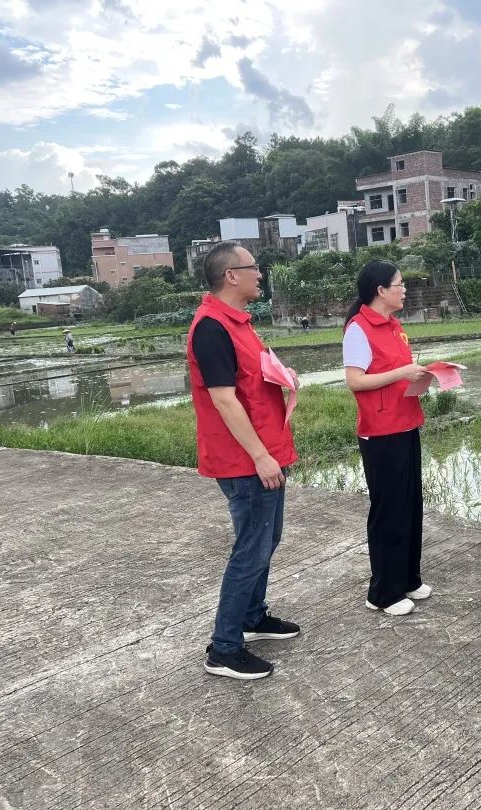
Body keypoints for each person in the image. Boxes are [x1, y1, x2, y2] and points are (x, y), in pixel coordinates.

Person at [187, 241, 301, 680]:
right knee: (250, 550)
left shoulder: (239, 324)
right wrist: (260, 456)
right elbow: (223, 400)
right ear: (231, 275)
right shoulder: (211, 328)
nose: (260, 274)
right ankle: (224, 648)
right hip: (247, 460)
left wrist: (282, 375)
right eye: (254, 267)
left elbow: (251, 379)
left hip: (266, 450)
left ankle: (253, 617)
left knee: (266, 541)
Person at [343, 260, 432, 616]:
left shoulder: (395, 326)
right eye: (399, 284)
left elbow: (398, 376)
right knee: (388, 511)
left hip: (406, 423)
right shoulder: (358, 329)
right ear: (381, 290)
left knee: (410, 505)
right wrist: (401, 372)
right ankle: (383, 593)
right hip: (380, 432)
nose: (404, 289)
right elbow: (355, 380)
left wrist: (422, 377)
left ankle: (408, 578)